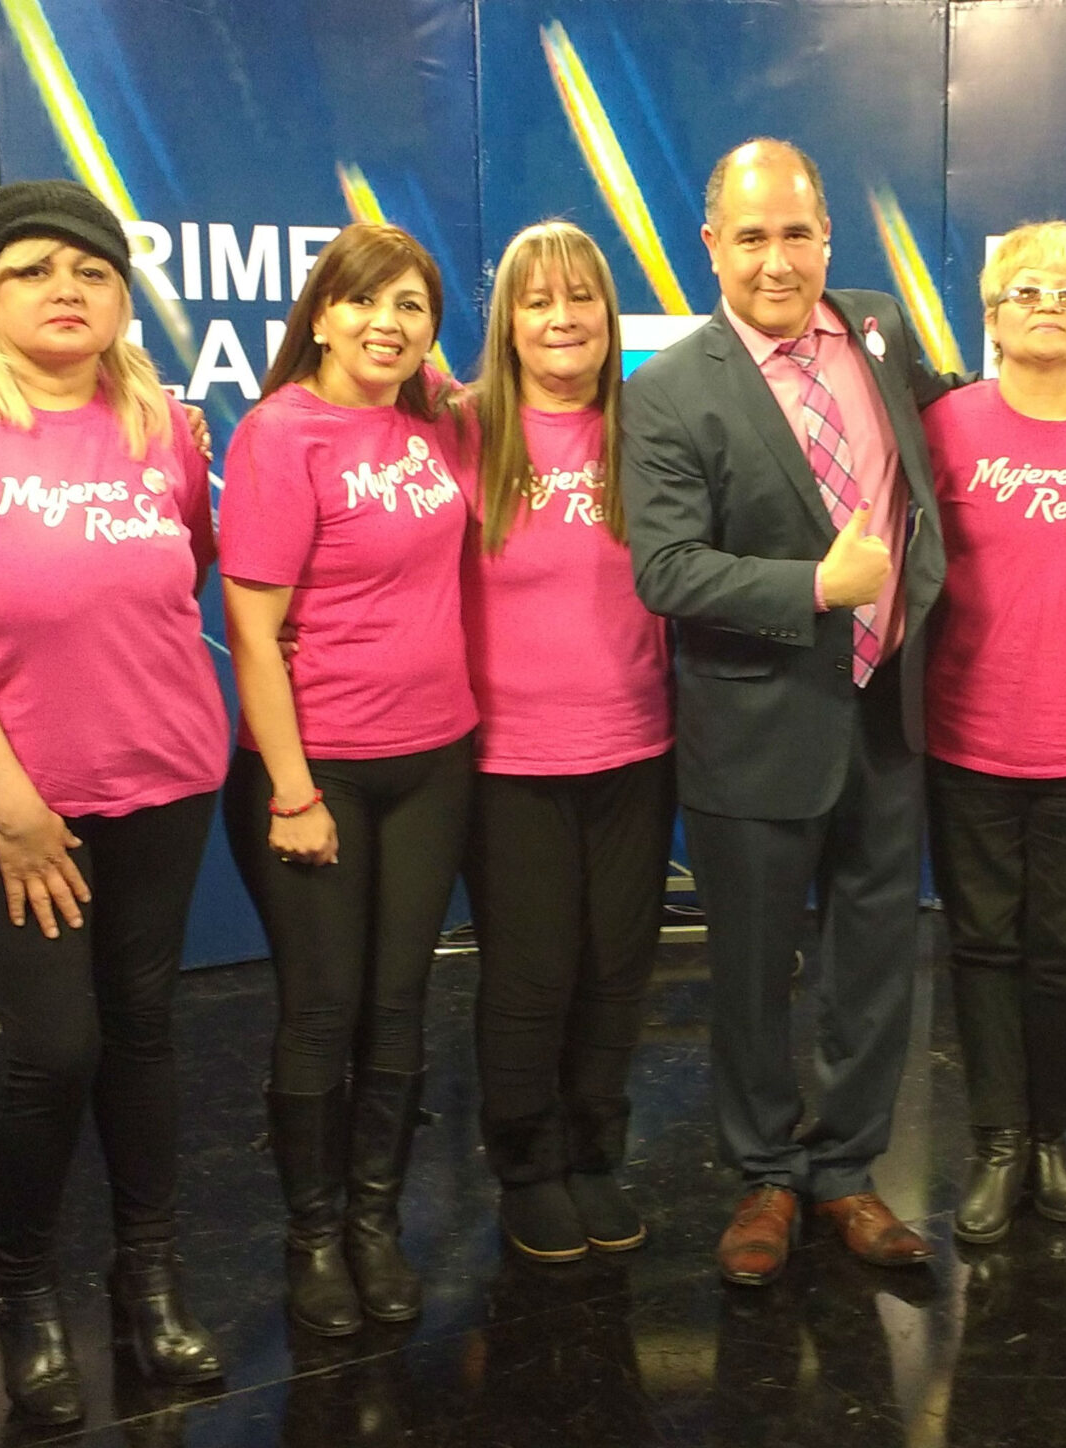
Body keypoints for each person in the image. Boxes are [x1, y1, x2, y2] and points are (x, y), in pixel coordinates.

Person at [0, 180, 229, 1425]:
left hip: (163, 774)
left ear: (122, 295)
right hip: (8, 804)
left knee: (142, 1028)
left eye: (91, 270)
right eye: (32, 267)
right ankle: (21, 1286)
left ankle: (148, 1276)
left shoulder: (161, 421)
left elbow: (185, 564)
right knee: (55, 1047)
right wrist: (17, 809)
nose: (64, 288)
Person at [622, 138, 958, 1286]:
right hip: (754, 725)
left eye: (798, 233)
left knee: (875, 961)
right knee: (754, 968)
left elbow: (942, 432)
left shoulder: (877, 328)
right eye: (753, 237)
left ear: (827, 237)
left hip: (885, 713)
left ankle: (848, 1168)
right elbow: (665, 567)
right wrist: (816, 585)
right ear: (710, 246)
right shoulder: (668, 390)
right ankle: (765, 1170)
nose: (778, 260)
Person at [220, 222, 475, 1336]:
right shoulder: (281, 433)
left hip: (435, 759)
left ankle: (376, 1223)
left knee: (400, 999)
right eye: (366, 301)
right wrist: (291, 790)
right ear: (321, 314)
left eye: (411, 306)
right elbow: (252, 627)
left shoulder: (436, 421)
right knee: (322, 1009)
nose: (388, 322)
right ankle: (314, 1236)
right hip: (317, 768)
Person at [921, 221, 1066, 1244]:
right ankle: (997, 1139)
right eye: (1026, 290)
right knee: (982, 947)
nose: (1048, 305)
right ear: (991, 314)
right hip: (969, 738)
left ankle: (1052, 1131)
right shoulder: (942, 428)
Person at [459, 221, 674, 1262]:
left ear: (607, 314)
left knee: (616, 970)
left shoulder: (648, 431)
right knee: (532, 976)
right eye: (537, 300)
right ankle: (528, 1167)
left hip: (637, 745)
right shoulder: (460, 430)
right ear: (508, 320)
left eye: (580, 297)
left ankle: (595, 1156)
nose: (560, 318)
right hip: (508, 760)